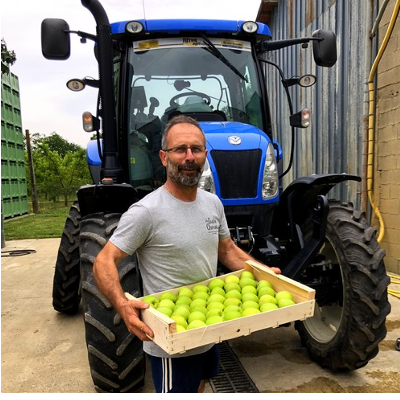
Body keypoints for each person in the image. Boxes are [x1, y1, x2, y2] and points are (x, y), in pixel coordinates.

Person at [93, 115, 281, 393]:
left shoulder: (212, 203)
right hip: (172, 339)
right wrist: (122, 305)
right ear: (163, 156)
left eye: (196, 149)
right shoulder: (147, 211)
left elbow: (227, 250)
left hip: (210, 326)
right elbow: (103, 260)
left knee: (200, 384)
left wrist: (262, 271)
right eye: (180, 149)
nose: (189, 156)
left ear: (206, 154)